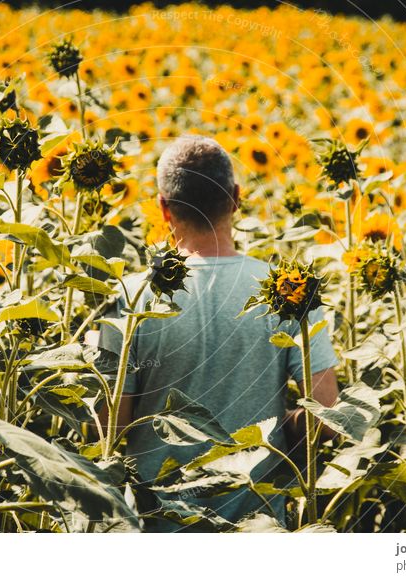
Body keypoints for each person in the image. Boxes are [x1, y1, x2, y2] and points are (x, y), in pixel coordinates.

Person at [97, 135, 339, 531]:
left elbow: (111, 428)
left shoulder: (133, 296)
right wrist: (278, 425)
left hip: (157, 526)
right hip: (256, 527)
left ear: (164, 209)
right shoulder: (287, 291)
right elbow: (326, 416)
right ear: (236, 198)